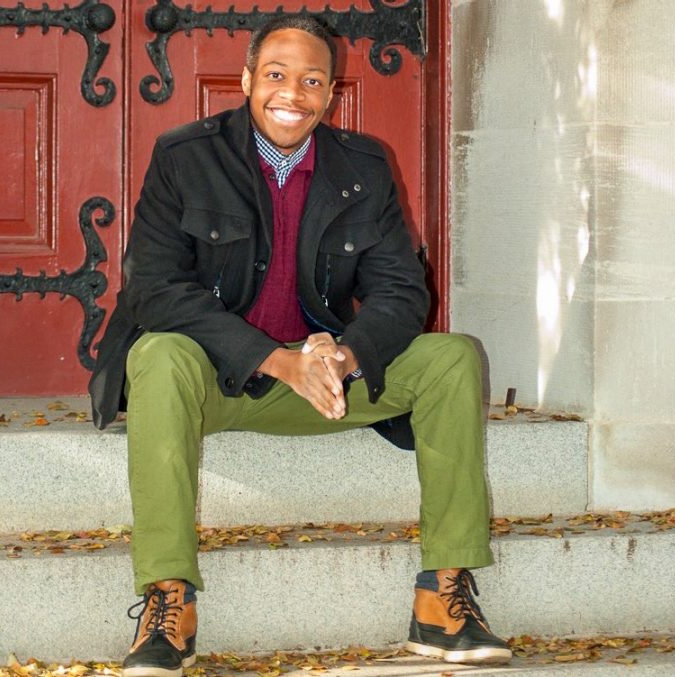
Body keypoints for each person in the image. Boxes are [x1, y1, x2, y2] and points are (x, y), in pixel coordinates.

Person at [89, 16, 512, 676]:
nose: (294, 93)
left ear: (331, 93)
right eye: (278, 76)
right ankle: (169, 600)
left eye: (312, 80)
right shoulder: (185, 158)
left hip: (321, 382)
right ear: (248, 80)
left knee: (452, 357)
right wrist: (275, 359)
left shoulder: (363, 168)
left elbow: (402, 292)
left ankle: (442, 598)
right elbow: (154, 289)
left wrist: (343, 355)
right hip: (217, 381)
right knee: (158, 354)